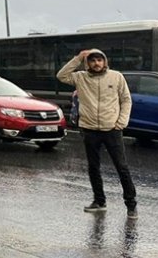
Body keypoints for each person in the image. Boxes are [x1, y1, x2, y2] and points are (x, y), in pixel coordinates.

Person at [57, 49, 137, 219]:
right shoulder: (80, 77)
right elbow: (61, 75)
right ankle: (99, 201)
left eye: (99, 60)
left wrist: (121, 123)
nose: (96, 63)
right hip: (90, 129)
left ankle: (131, 205)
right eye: (92, 60)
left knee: (121, 167)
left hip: (112, 130)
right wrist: (78, 58)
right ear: (88, 63)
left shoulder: (116, 77)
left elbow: (126, 99)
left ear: (105, 61)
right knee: (94, 167)